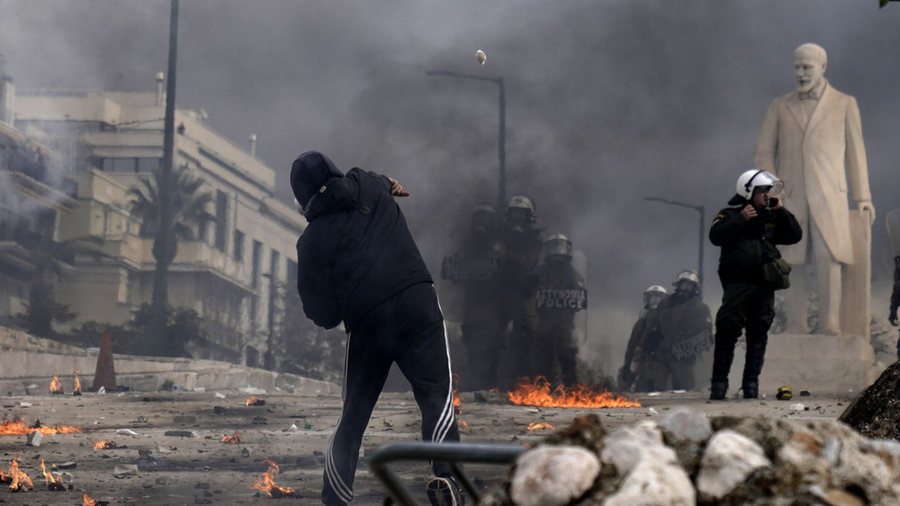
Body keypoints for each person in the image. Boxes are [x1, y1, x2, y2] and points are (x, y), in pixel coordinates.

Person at [291, 151, 463, 506]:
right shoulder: (366, 183)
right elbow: (384, 179)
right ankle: (446, 479)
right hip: (417, 303)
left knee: (353, 414)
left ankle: (336, 498)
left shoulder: (311, 240)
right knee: (437, 396)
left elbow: (321, 313)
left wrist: (344, 301)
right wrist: (389, 185)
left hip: (368, 319)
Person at [755, 43, 874, 335]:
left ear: (823, 67)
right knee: (792, 259)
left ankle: (829, 322)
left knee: (829, 257)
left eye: (806, 66)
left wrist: (863, 197)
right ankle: (796, 323)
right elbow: (763, 152)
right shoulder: (779, 106)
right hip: (790, 195)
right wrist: (772, 187)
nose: (800, 72)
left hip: (830, 194)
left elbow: (855, 155)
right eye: (796, 66)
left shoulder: (844, 104)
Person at [709, 169, 802, 400]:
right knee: (727, 333)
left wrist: (781, 212)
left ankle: (750, 384)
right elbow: (715, 236)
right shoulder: (729, 215)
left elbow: (794, 235)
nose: (766, 195)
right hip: (737, 286)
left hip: (763, 286)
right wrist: (741, 219)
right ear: (748, 191)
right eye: (762, 191)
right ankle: (719, 385)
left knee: (758, 334)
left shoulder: (770, 216)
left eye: (767, 191)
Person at [445, 203, 506, 390]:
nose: (482, 223)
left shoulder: (500, 247)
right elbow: (453, 271)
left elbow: (506, 276)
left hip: (493, 304)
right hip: (472, 303)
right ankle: (474, 384)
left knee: (492, 344)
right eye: (479, 218)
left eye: (486, 219)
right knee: (471, 343)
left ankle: (490, 385)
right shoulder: (466, 245)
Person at [633, 270, 712, 392]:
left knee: (684, 388)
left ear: (694, 287)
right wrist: (642, 345)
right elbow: (653, 326)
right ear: (678, 285)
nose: (685, 288)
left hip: (683, 354)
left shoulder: (700, 308)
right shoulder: (667, 303)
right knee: (653, 385)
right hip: (662, 351)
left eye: (689, 285)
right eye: (683, 284)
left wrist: (688, 347)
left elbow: (706, 335)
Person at [497, 195, 543, 388]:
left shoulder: (534, 239)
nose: (517, 219)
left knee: (527, 335)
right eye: (514, 214)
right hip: (503, 292)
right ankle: (494, 381)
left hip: (525, 293)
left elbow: (530, 263)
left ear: (529, 217)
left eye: (521, 215)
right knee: (493, 335)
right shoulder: (500, 235)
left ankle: (526, 381)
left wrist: (509, 256)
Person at [533, 234, 586, 386]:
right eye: (554, 246)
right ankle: (543, 387)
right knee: (543, 354)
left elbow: (579, 295)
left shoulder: (572, 273)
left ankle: (571, 387)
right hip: (545, 320)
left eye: (560, 246)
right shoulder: (541, 271)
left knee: (567, 354)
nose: (557, 250)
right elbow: (528, 288)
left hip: (564, 321)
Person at [617, 285, 667, 391]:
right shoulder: (642, 320)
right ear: (647, 299)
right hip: (643, 360)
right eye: (652, 297)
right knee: (640, 387)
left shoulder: (669, 319)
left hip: (661, 362)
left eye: (658, 297)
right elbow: (633, 343)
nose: (655, 300)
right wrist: (628, 363)